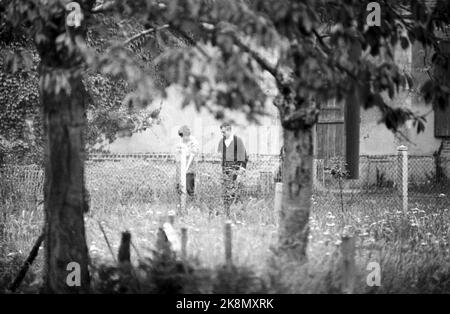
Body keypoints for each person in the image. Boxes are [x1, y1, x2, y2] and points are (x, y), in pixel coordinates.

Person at [217, 122, 249, 215]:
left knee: (234, 190)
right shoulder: (221, 141)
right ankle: (226, 211)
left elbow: (244, 157)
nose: (222, 134)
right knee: (225, 191)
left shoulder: (237, 140)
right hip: (224, 169)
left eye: (224, 132)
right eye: (221, 132)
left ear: (229, 130)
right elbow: (220, 156)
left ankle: (236, 211)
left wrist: (241, 171)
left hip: (235, 169)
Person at [176, 125, 199, 197]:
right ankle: (182, 204)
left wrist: (186, 168)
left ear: (187, 134)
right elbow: (178, 152)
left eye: (183, 136)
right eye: (181, 136)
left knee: (189, 187)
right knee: (179, 186)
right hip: (182, 166)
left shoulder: (193, 142)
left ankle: (193, 203)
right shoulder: (182, 140)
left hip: (190, 167)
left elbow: (192, 156)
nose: (182, 138)